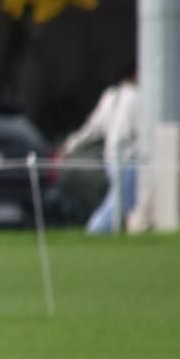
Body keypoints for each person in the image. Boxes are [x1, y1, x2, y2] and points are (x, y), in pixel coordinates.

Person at [58, 67, 139, 235]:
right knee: (120, 203)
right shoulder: (137, 97)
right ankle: (95, 232)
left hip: (112, 158)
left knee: (122, 202)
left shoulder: (110, 97)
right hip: (129, 159)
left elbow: (91, 129)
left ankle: (108, 233)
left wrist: (68, 146)